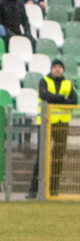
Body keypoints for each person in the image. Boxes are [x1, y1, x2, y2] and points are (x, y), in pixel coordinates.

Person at [30, 61, 75, 199]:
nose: (57, 69)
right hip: (46, 122)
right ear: (51, 69)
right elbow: (45, 96)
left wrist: (55, 100)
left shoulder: (68, 84)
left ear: (63, 70)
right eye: (55, 67)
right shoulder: (44, 81)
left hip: (62, 124)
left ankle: (53, 190)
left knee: (58, 158)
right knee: (42, 156)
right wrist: (63, 99)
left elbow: (74, 101)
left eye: (60, 67)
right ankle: (34, 190)